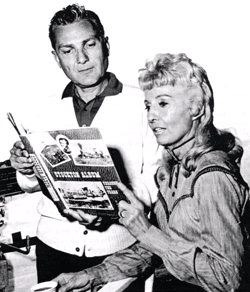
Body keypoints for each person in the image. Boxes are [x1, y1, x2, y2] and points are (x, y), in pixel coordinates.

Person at [54, 53, 250, 292]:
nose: (152, 116)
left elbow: (227, 279)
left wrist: (146, 232)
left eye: (163, 103)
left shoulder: (211, 177)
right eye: (148, 106)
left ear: (196, 107)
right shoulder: (175, 167)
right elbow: (152, 247)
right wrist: (91, 275)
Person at [9, 4, 159, 284]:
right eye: (68, 50)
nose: (82, 59)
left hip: (118, 251)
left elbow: (154, 183)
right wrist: (26, 166)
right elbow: (29, 184)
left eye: (89, 44)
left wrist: (110, 207)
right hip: (53, 248)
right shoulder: (46, 108)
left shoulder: (143, 104)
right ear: (56, 58)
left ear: (106, 45)